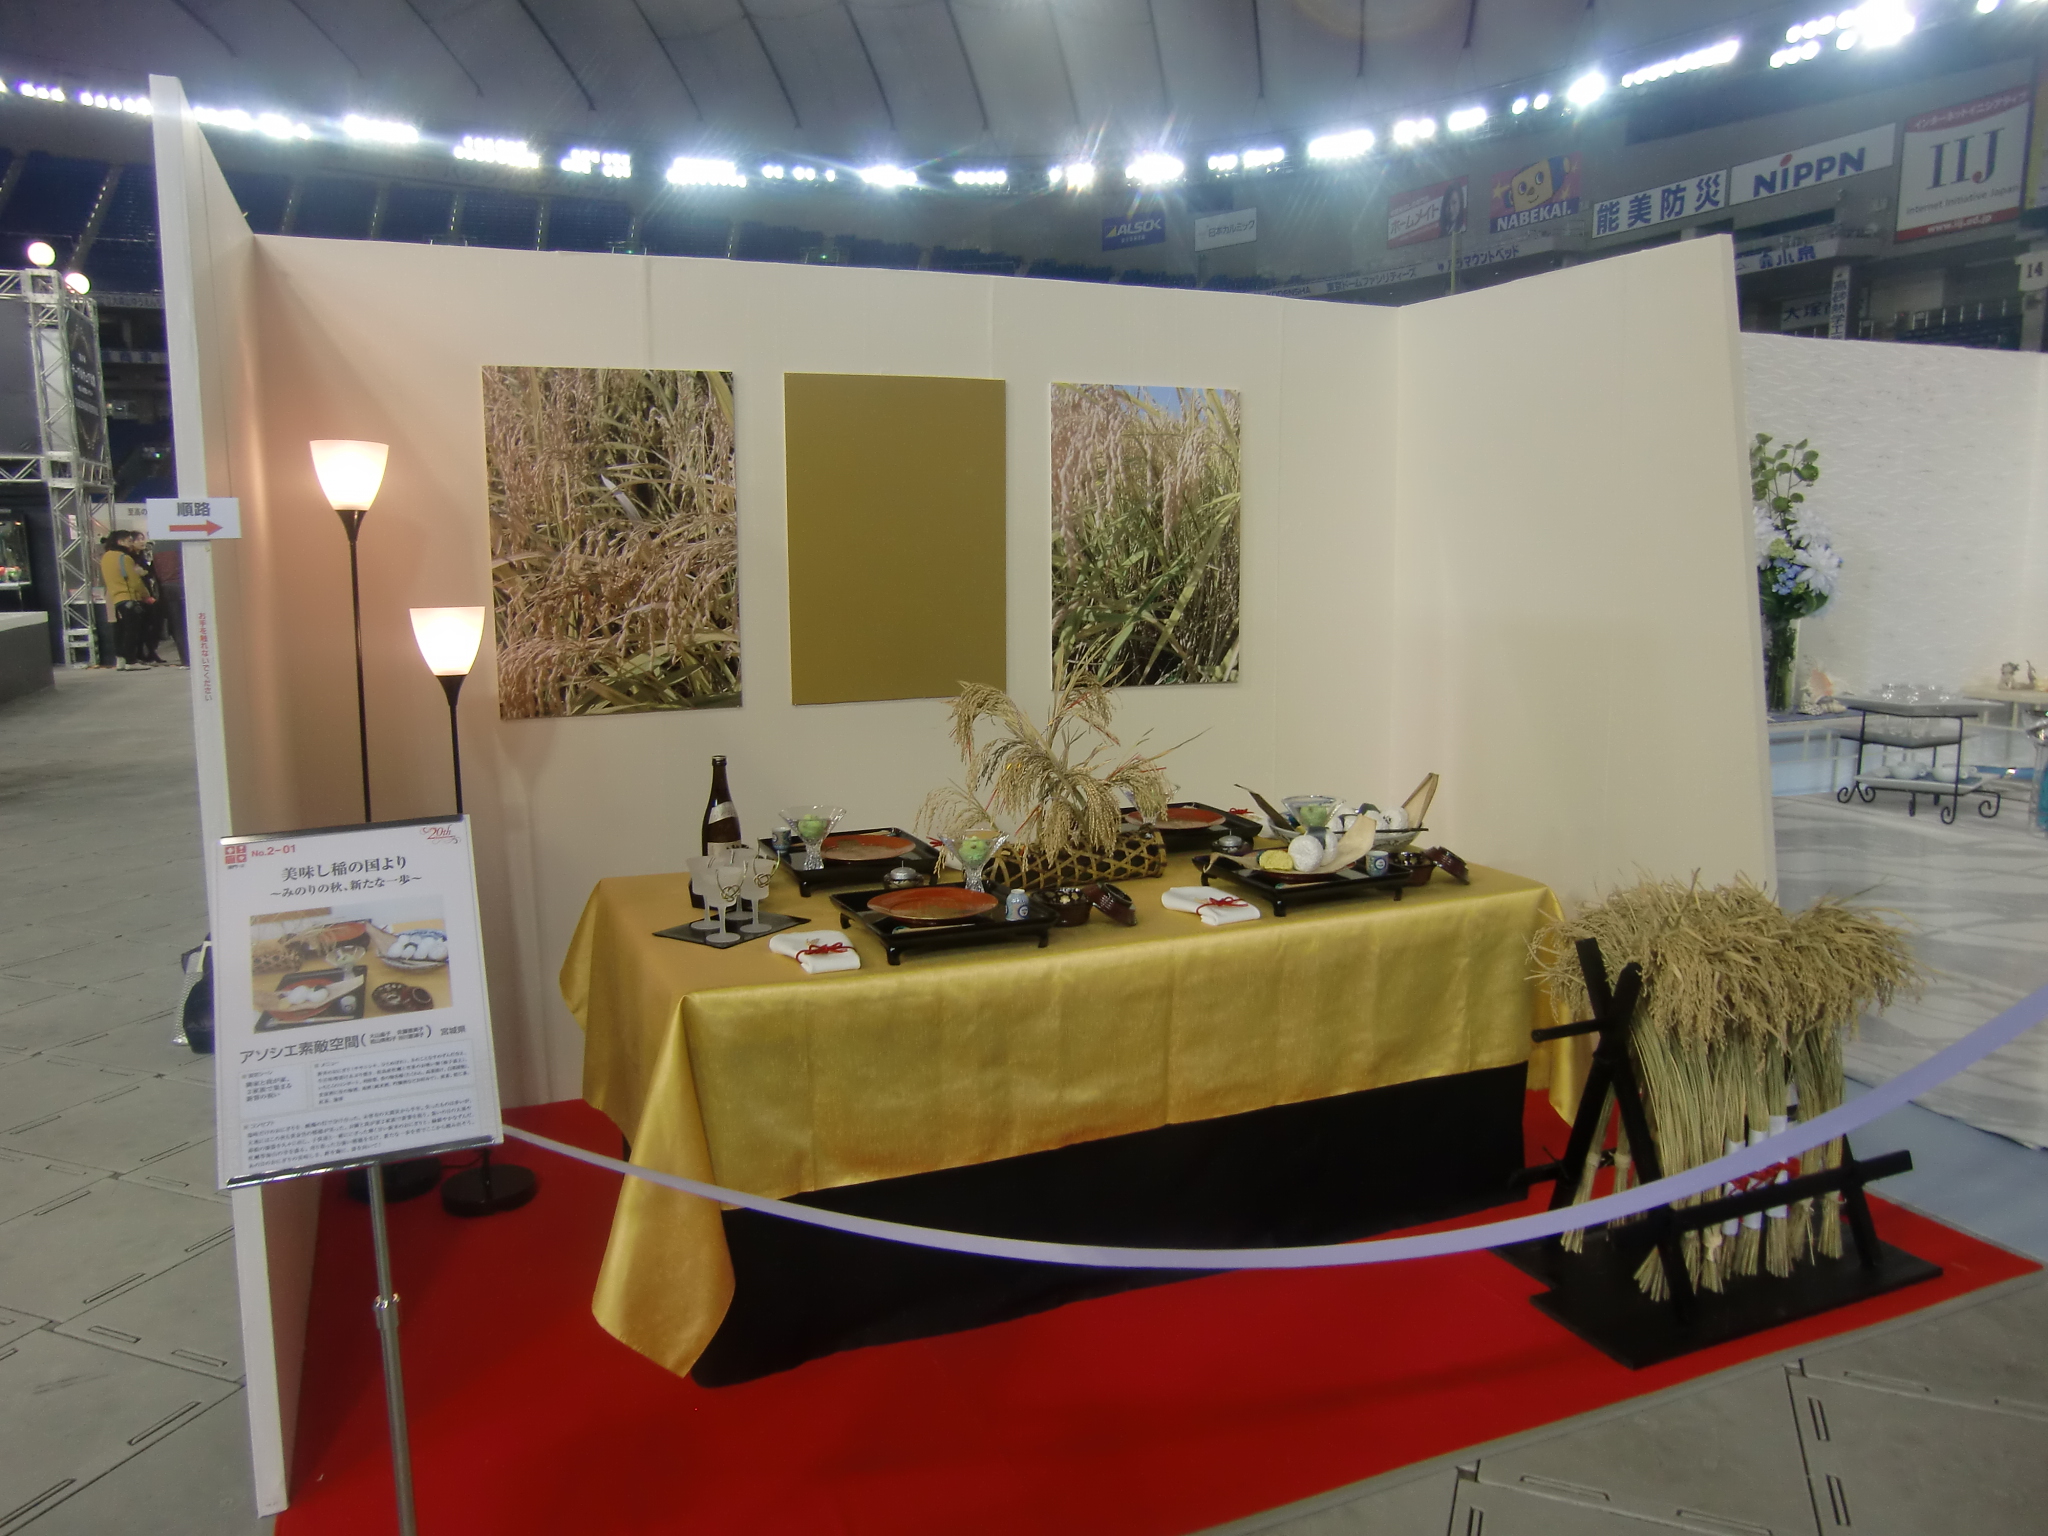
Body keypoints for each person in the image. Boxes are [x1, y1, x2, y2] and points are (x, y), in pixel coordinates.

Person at [99, 530, 155, 671]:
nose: (131, 544)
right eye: (129, 541)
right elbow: (135, 581)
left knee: (119, 630)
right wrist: (146, 595)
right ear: (120, 542)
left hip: (115, 598)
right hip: (129, 597)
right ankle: (131, 660)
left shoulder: (105, 557)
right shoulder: (125, 558)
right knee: (132, 631)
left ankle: (121, 660)